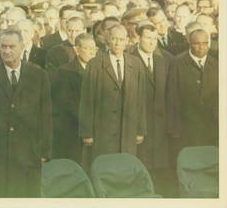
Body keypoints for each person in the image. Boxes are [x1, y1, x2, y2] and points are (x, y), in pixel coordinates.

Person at [0, 29, 52, 197]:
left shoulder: (39, 75)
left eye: (11, 47)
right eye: (3, 47)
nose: (7, 51)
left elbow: (46, 115)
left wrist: (44, 150)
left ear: (22, 47)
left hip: (28, 153)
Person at [79, 24, 147, 163]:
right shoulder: (95, 64)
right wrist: (87, 133)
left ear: (127, 41)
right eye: (114, 39)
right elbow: (87, 100)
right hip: (103, 131)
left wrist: (140, 129)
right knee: (106, 167)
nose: (117, 43)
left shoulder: (136, 64)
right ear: (108, 40)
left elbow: (141, 99)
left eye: (121, 39)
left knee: (126, 166)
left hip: (128, 130)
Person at [128, 24, 172, 195]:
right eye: (148, 38)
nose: (152, 42)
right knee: (141, 166)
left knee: (159, 169)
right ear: (138, 38)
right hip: (138, 124)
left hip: (160, 126)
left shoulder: (164, 61)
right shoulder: (129, 59)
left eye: (155, 39)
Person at [167, 29, 218, 150]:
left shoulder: (216, 63)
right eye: (197, 43)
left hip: (211, 127)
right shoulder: (177, 63)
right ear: (189, 43)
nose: (201, 47)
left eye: (205, 43)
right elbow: (172, 97)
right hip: (187, 127)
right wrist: (174, 127)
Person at [52, 34, 97, 166]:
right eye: (87, 48)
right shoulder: (65, 72)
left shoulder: (100, 70)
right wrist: (88, 125)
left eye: (94, 49)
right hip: (74, 130)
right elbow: (67, 104)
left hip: (98, 129)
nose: (92, 52)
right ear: (77, 50)